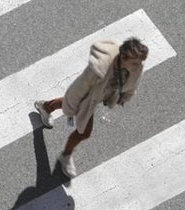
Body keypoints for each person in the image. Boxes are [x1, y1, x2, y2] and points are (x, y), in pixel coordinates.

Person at [34, 37, 149, 178]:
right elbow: (78, 89)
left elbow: (133, 84)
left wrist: (124, 97)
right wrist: (70, 111)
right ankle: (66, 155)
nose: (138, 66)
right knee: (84, 132)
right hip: (88, 96)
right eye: (135, 62)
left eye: (139, 62)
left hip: (100, 95)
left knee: (77, 111)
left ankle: (46, 107)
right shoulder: (98, 68)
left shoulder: (136, 67)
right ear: (123, 58)